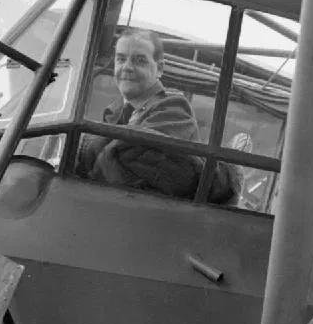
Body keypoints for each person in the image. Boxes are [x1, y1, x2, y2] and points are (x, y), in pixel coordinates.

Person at [75, 28, 236, 203]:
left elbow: (128, 158)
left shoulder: (174, 109)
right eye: (121, 59)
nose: (127, 67)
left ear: (159, 68)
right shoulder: (115, 112)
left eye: (139, 61)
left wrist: (85, 149)